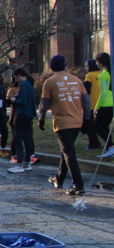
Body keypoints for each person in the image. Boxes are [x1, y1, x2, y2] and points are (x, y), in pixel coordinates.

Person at [39, 55, 90, 195]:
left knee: (68, 152)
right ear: (64, 65)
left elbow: (44, 103)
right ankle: (59, 179)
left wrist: (41, 118)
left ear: (51, 67)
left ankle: (78, 185)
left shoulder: (50, 82)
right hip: (77, 121)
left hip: (62, 123)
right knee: (66, 150)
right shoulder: (76, 80)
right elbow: (86, 101)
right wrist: (86, 118)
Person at [7, 68, 37, 173]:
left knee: (18, 137)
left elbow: (22, 102)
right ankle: (27, 162)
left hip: (22, 113)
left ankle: (19, 163)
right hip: (29, 114)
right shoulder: (30, 85)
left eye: (16, 78)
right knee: (27, 137)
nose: (16, 80)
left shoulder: (23, 85)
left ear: (19, 75)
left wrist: (14, 100)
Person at [94, 52, 114, 159]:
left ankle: (111, 146)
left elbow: (103, 93)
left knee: (97, 126)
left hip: (105, 104)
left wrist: (96, 107)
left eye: (97, 61)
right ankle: (109, 148)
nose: (96, 63)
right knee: (104, 126)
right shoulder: (112, 72)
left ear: (100, 63)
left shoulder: (103, 75)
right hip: (112, 104)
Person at [84, 58, 102, 149]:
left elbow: (86, 90)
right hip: (101, 103)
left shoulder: (89, 75)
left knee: (89, 125)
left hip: (91, 104)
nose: (86, 67)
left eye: (86, 66)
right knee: (101, 126)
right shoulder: (101, 74)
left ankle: (94, 144)